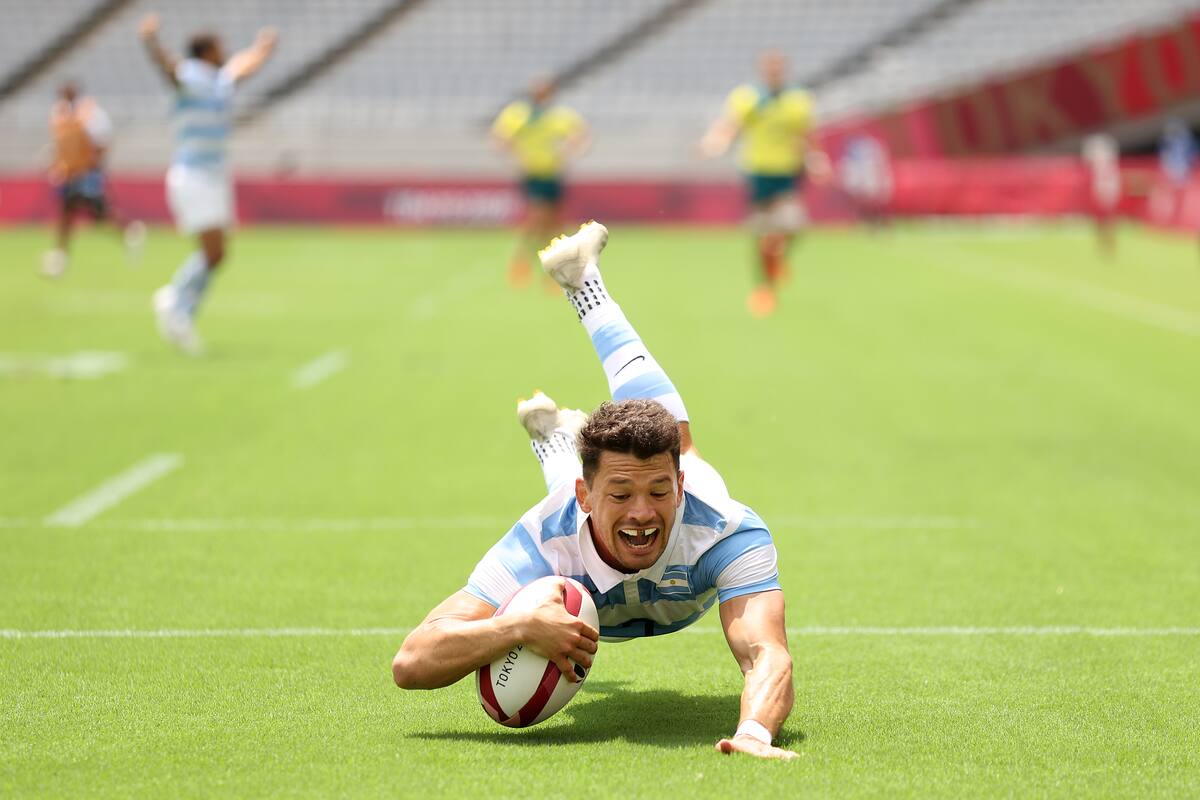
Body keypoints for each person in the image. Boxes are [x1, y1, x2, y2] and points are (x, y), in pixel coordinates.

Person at [392, 222, 797, 761]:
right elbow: (411, 662)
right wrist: (518, 626)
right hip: (573, 529)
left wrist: (754, 734)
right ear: (587, 499)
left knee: (676, 439)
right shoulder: (541, 541)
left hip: (659, 514)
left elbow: (767, 654)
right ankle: (559, 422)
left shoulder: (728, 532)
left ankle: (583, 295)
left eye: (660, 491)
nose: (643, 512)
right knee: (569, 498)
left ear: (678, 487)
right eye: (623, 494)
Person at [139, 14, 277, 354]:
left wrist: (262, 49)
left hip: (214, 176)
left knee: (217, 255)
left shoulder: (219, 80)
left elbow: (243, 67)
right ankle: (177, 307)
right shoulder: (190, 76)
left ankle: (176, 302)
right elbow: (168, 69)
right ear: (206, 51)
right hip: (193, 175)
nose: (225, 51)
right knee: (213, 252)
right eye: (219, 47)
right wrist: (151, 41)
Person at [700, 50, 826, 317]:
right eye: (769, 67)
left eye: (777, 67)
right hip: (758, 173)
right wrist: (715, 143)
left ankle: (776, 260)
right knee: (762, 234)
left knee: (793, 226)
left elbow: (807, 134)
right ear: (762, 70)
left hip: (787, 173)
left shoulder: (797, 100)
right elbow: (731, 125)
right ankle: (764, 288)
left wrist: (817, 159)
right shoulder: (749, 98)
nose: (773, 71)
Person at [491, 76, 590, 288]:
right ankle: (522, 260)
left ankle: (550, 267)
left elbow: (581, 135)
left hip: (552, 174)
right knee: (538, 217)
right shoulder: (520, 114)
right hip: (533, 174)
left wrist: (570, 150)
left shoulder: (558, 116)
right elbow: (500, 136)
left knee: (554, 223)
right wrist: (517, 155)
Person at [42, 81, 145, 279]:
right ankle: (60, 258)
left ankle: (128, 231)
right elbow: (61, 145)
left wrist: (92, 167)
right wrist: (56, 164)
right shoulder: (60, 113)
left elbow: (102, 143)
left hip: (87, 173)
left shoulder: (91, 113)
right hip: (69, 174)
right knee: (66, 212)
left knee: (98, 213)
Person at [1081, 133, 1120, 257]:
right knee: (1100, 217)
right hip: (1101, 184)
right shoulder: (1097, 149)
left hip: (1107, 185)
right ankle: (1104, 243)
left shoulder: (1104, 152)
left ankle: (1109, 244)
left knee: (1108, 216)